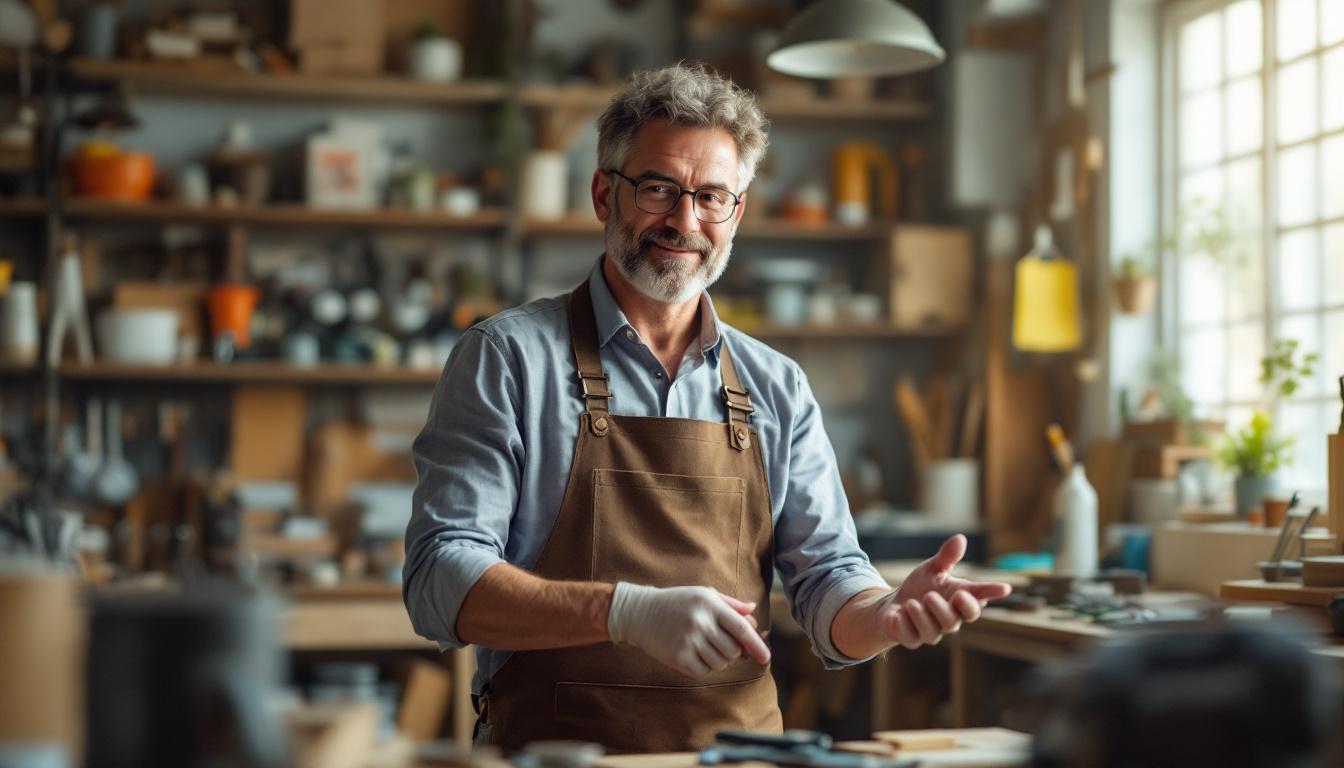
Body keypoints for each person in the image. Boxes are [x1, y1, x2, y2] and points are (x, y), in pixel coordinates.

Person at [403, 64, 1012, 754]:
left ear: (737, 212)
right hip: (559, 757)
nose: (684, 222)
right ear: (604, 193)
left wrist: (885, 614)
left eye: (711, 197)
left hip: (738, 756)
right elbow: (437, 580)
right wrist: (625, 611)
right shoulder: (507, 358)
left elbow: (827, 581)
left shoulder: (776, 385)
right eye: (658, 188)